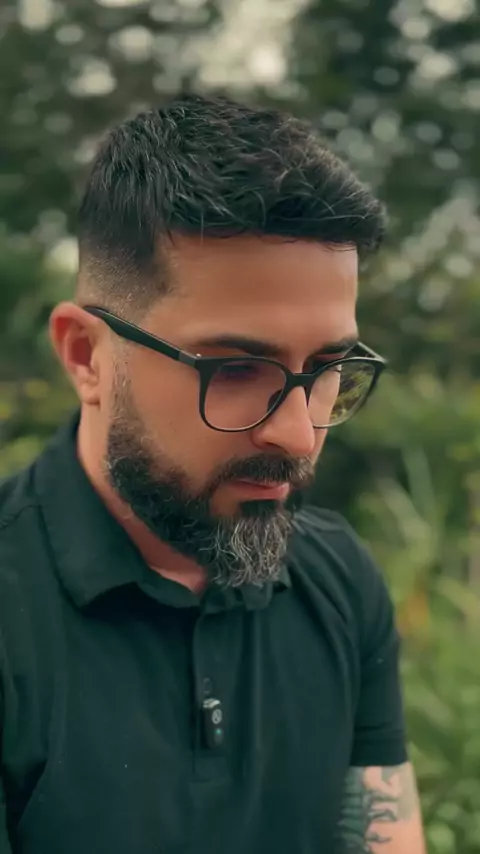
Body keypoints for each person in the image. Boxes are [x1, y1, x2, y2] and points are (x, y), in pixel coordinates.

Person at [0, 93, 426, 854]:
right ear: (86, 356)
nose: (298, 434)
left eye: (328, 368)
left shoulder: (338, 576)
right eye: (233, 369)